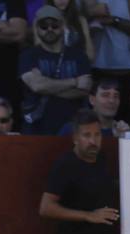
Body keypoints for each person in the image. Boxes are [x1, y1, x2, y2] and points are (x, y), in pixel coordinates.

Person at [18, 6, 90, 136]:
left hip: (72, 127)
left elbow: (84, 89)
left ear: (62, 26)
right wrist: (74, 81)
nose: (49, 29)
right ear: (37, 28)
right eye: (44, 26)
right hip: (36, 127)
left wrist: (47, 86)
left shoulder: (79, 56)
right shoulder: (28, 55)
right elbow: (37, 85)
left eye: (54, 25)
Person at [88, 0, 130, 123]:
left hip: (128, 73)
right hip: (97, 71)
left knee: (125, 127)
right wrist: (90, 13)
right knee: (96, 126)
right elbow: (71, 18)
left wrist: (114, 21)